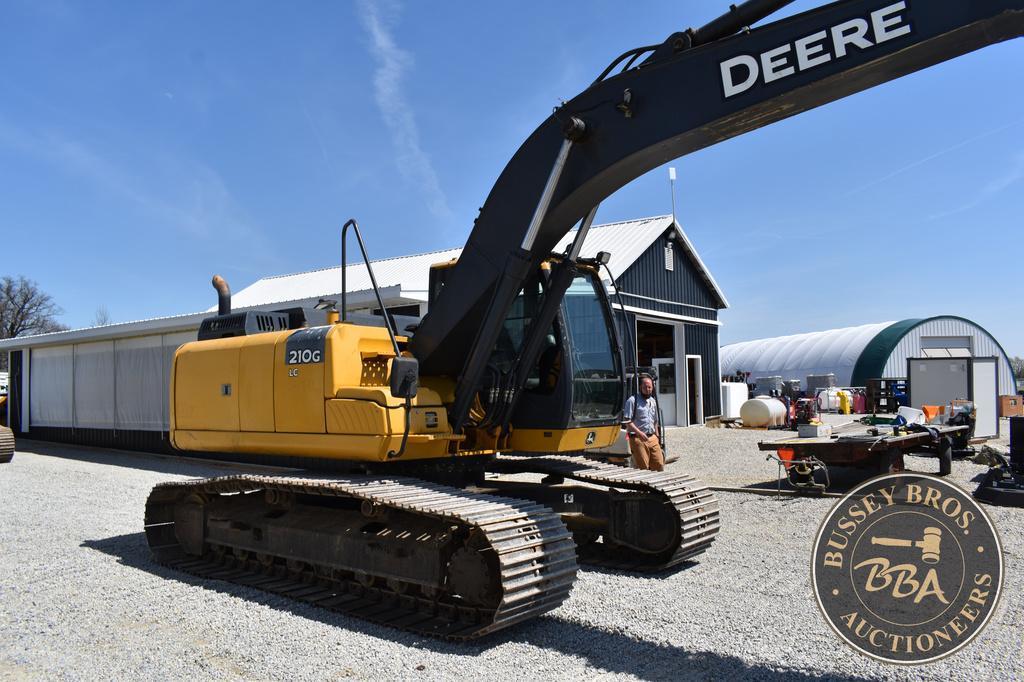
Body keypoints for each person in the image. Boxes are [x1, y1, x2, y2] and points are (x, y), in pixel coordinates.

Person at [624, 375, 663, 471]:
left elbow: (655, 420)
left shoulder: (653, 401)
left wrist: (657, 436)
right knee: (643, 467)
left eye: (649, 387)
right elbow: (627, 421)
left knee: (659, 464)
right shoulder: (632, 401)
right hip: (638, 438)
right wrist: (639, 433)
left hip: (652, 437)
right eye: (645, 387)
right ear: (640, 387)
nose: (648, 389)